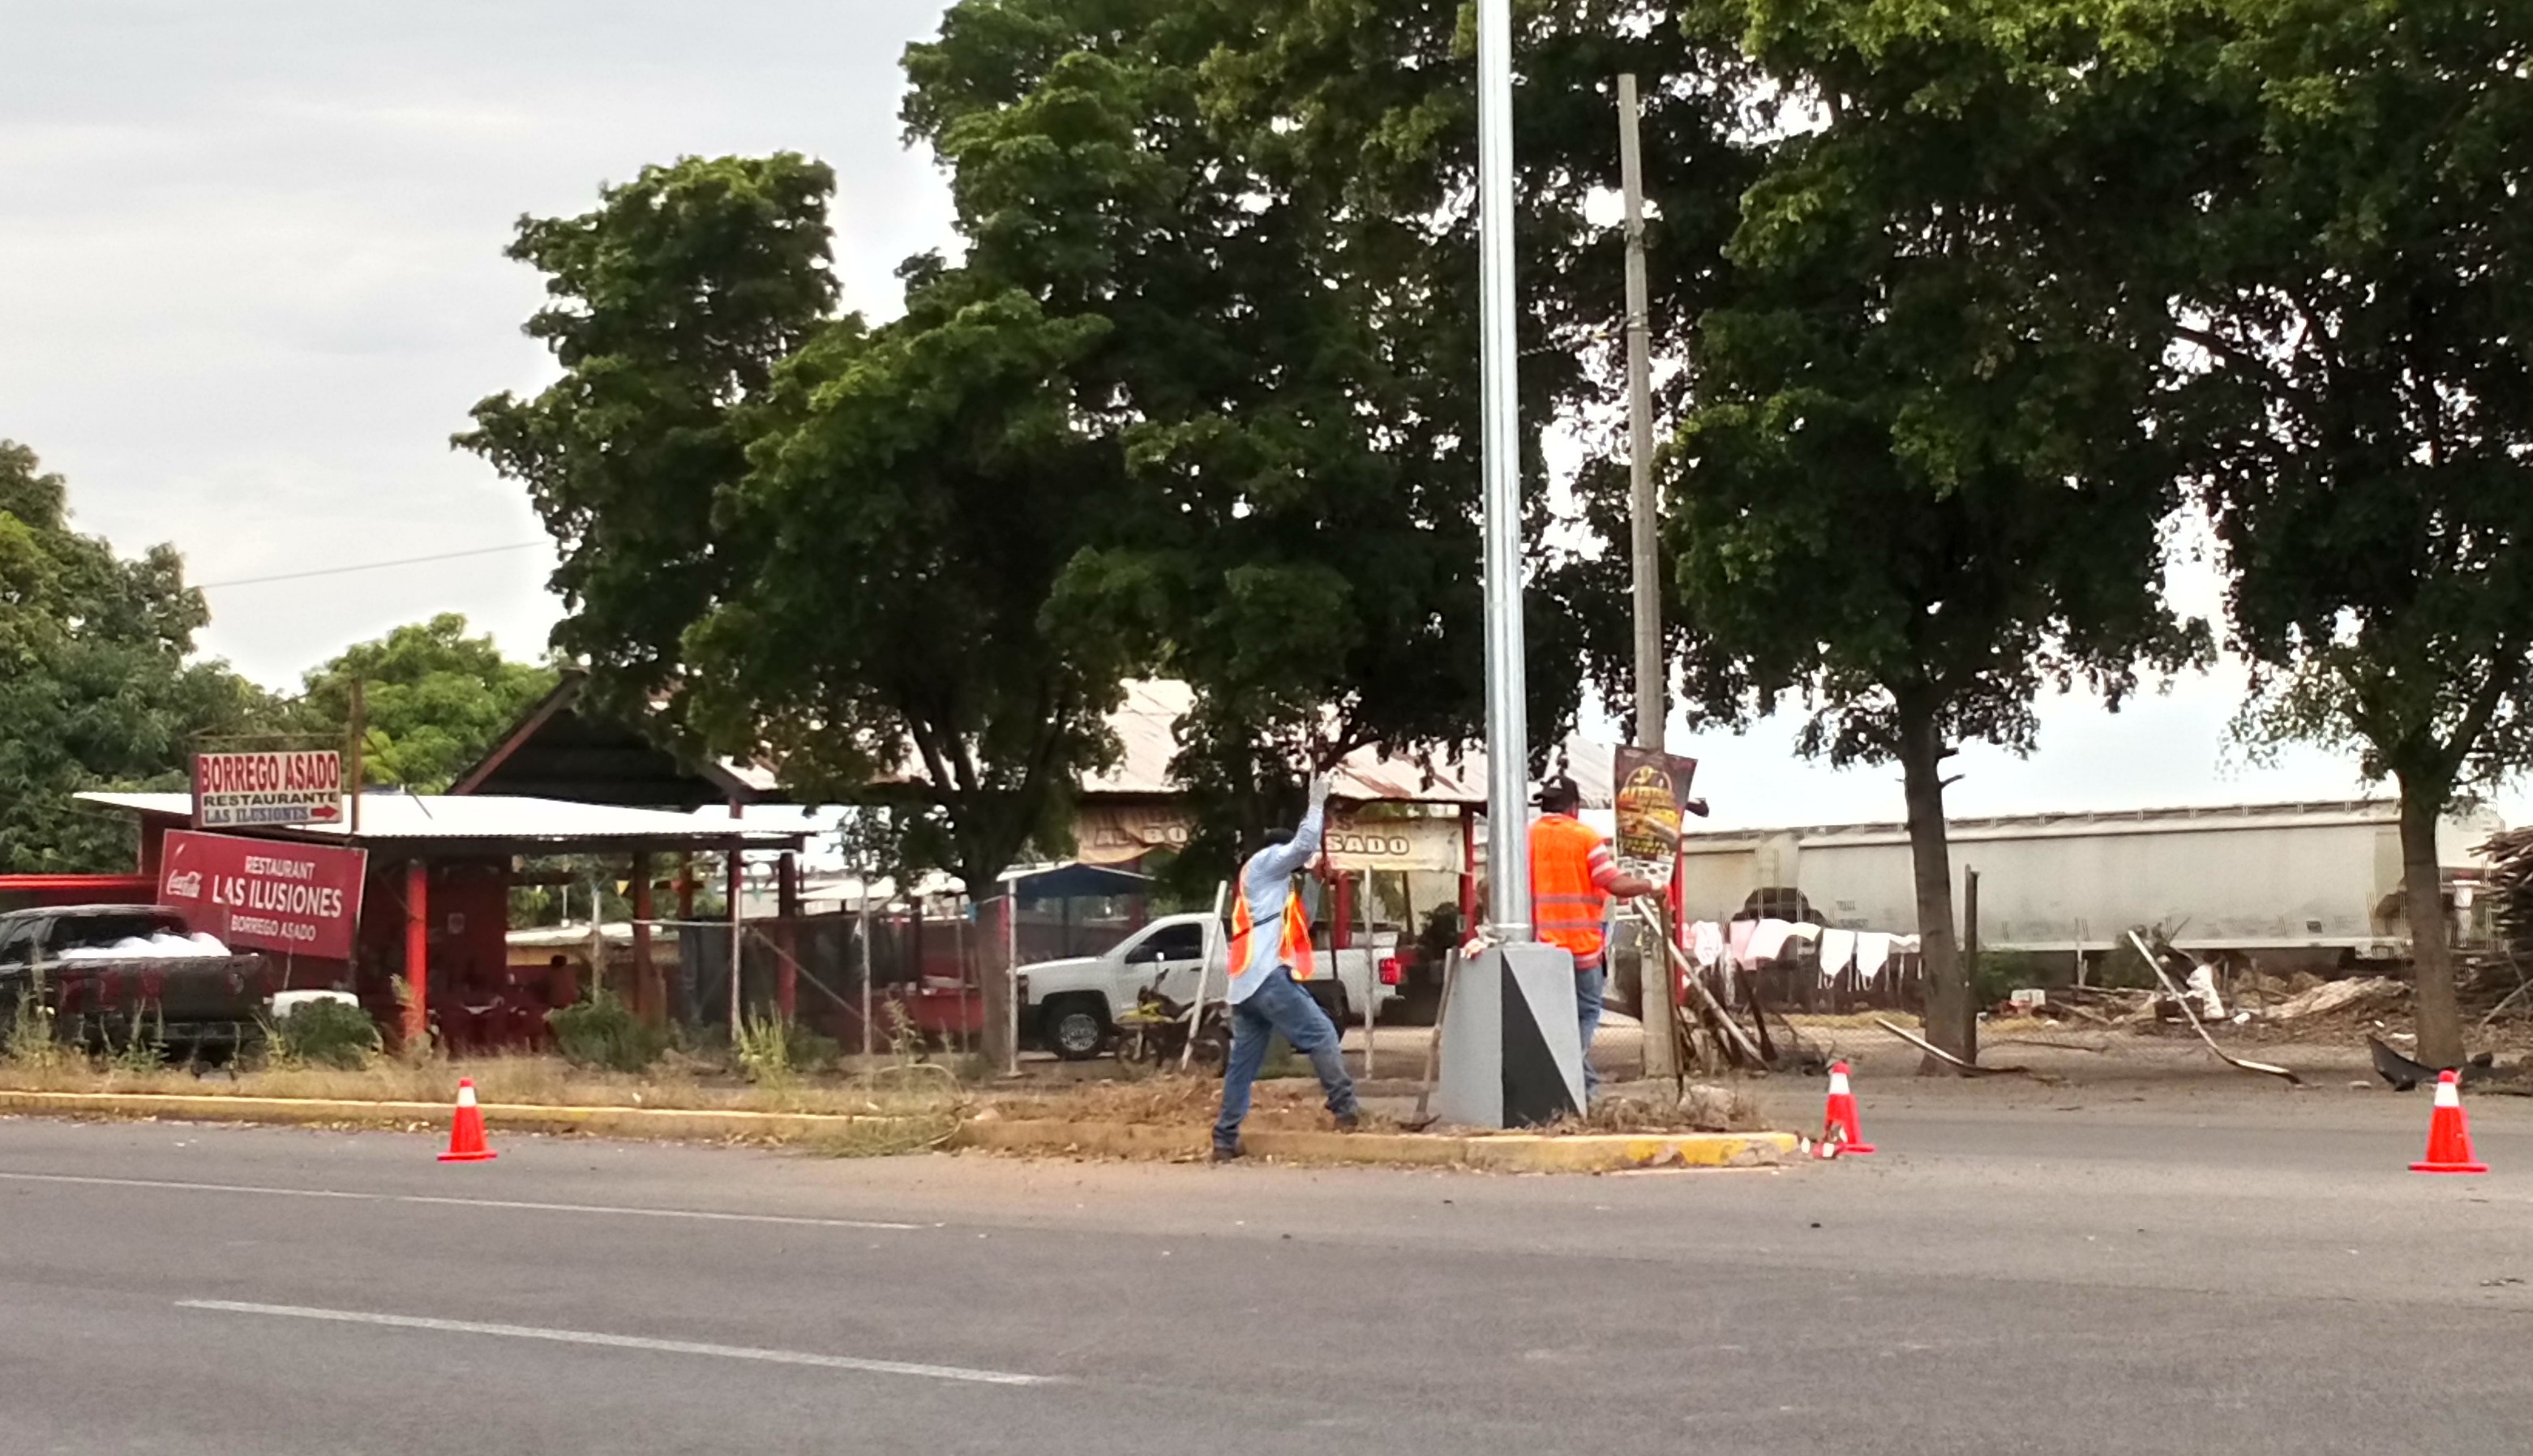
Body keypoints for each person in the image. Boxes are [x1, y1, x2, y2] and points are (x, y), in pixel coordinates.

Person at [1213, 774, 1361, 1161]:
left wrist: (1314, 882)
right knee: (1323, 1034)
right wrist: (1316, 803)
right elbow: (1304, 845)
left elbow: (1303, 922)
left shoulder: (1267, 891)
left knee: (1242, 1066)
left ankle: (1225, 1139)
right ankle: (1346, 1110)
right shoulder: (1265, 862)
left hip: (1245, 988)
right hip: (1267, 980)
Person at [1530, 776, 1663, 1100]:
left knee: (1552, 1019)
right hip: (1581, 950)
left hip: (1540, 950)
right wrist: (1652, 885)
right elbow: (1612, 883)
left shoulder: (1525, 837)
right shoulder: (1586, 838)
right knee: (1586, 1013)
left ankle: (1584, 1088)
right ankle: (1572, 1077)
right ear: (1575, 807)